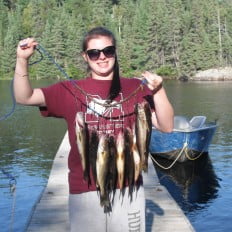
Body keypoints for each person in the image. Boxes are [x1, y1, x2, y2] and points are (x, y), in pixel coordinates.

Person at [14, 27, 174, 232]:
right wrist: (22, 59)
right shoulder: (69, 90)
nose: (101, 57)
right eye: (93, 53)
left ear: (115, 52)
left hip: (129, 187)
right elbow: (24, 97)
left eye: (108, 51)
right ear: (85, 56)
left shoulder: (136, 87)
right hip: (85, 189)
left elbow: (167, 126)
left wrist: (158, 91)